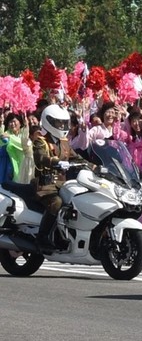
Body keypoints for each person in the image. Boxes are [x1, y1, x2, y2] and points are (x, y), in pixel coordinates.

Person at [32, 104, 85, 251]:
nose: (62, 126)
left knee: (77, 201)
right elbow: (40, 157)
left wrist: (95, 166)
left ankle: (62, 236)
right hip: (45, 185)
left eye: (64, 123)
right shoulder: (41, 140)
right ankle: (42, 237)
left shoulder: (64, 142)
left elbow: (76, 158)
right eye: (58, 123)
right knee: (56, 203)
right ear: (49, 122)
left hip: (63, 184)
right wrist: (56, 162)